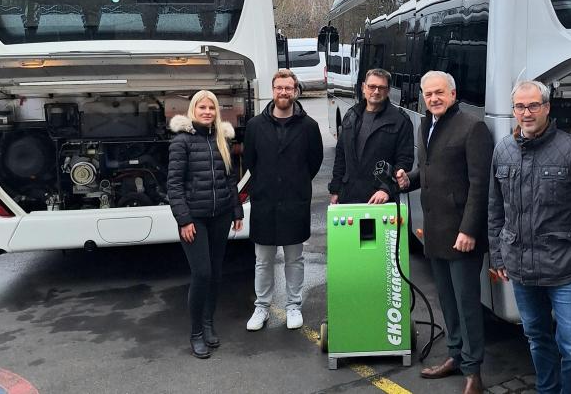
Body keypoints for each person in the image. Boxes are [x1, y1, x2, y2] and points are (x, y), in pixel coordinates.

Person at [487, 80, 571, 394]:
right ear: (513, 109)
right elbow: (495, 208)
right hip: (520, 268)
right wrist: (498, 255)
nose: (526, 113)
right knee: (537, 338)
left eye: (533, 106)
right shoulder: (503, 150)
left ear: (547, 108)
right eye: (519, 106)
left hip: (565, 270)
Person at [396, 71, 494, 394]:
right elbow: (429, 169)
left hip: (461, 236)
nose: (433, 98)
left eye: (439, 93)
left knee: (467, 305)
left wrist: (469, 230)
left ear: (453, 94)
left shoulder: (472, 127)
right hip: (435, 232)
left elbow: (480, 186)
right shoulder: (427, 124)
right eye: (428, 94)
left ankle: (473, 372)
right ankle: (455, 355)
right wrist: (408, 179)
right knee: (447, 303)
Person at [243, 69, 323, 332]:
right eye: (279, 88)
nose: (284, 92)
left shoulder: (309, 126)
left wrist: (295, 182)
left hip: (294, 201)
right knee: (263, 260)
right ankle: (262, 307)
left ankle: (293, 305)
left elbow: (314, 161)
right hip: (265, 202)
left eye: (288, 88)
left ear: (296, 90)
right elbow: (250, 162)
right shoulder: (255, 126)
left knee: (294, 258)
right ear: (273, 89)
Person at [167, 90, 244, 359]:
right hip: (195, 220)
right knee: (201, 274)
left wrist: (236, 211)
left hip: (221, 216)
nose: (207, 111)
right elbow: (174, 186)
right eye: (202, 107)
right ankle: (196, 333)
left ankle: (209, 324)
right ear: (193, 110)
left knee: (215, 274)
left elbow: (230, 179)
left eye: (211, 107)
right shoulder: (181, 142)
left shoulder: (221, 139)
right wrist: (184, 220)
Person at [329, 68, 414, 205]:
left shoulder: (400, 120)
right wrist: (335, 190)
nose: (376, 91)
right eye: (372, 86)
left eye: (381, 87)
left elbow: (404, 162)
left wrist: (386, 189)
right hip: (349, 196)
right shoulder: (351, 115)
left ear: (388, 91)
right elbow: (341, 156)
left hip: (380, 200)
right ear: (363, 87)